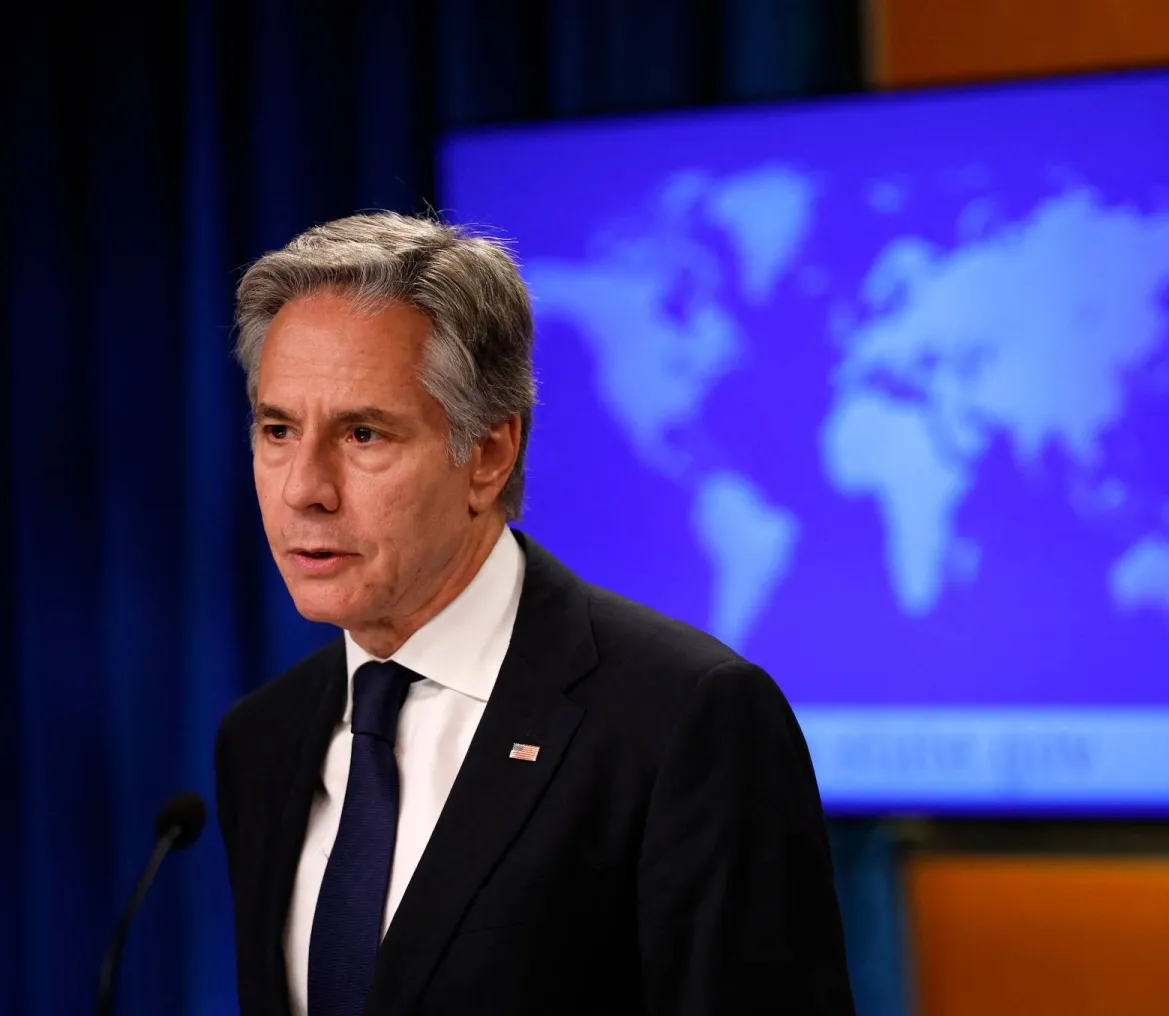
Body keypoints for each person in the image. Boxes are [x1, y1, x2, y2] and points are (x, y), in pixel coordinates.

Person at [213, 212, 856, 1016]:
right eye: (277, 429)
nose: (304, 487)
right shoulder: (262, 741)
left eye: (364, 433)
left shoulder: (685, 720)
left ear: (487, 454)